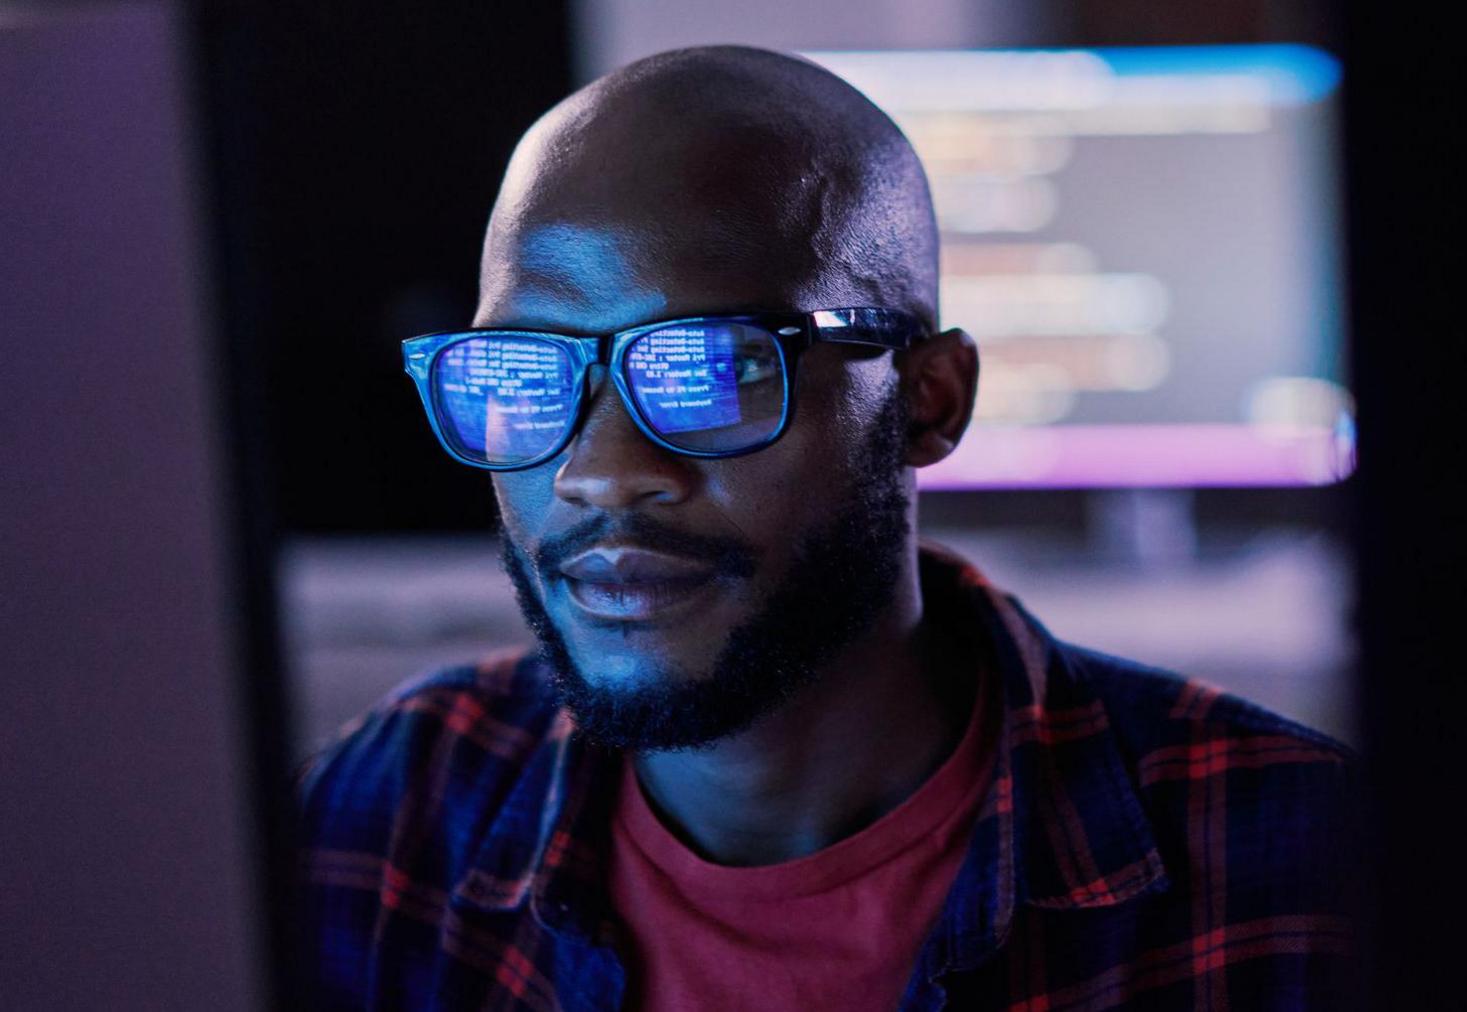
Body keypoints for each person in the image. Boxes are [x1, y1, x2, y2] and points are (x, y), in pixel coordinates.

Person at [298, 44, 1359, 1011]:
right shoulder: (390, 815)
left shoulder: (1295, 862)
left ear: (928, 399)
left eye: (714, 367)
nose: (600, 472)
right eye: (523, 372)